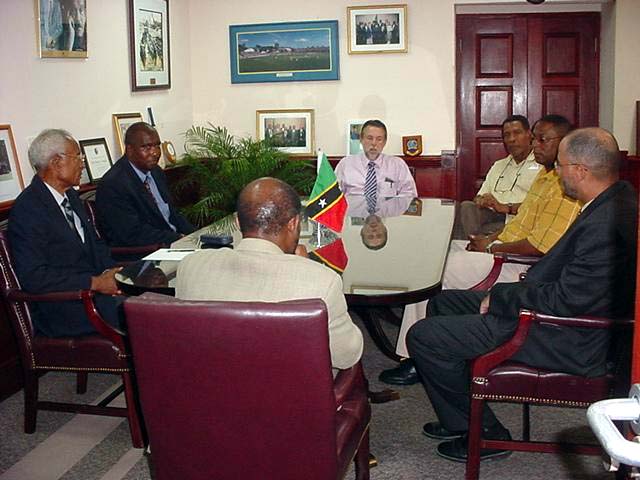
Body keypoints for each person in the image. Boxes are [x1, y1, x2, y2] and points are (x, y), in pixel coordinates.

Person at [407, 127, 637, 463]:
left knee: (424, 337)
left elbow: (568, 301)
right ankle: (461, 419)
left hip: (564, 333)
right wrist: (506, 294)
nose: (556, 173)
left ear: (581, 171)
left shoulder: (608, 223)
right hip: (550, 311)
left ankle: (487, 434)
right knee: (443, 302)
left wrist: (502, 298)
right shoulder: (613, 199)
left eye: (560, 166)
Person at [379, 114, 581, 386]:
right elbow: (520, 225)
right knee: (439, 252)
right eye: (535, 138)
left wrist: (492, 247)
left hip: (519, 267)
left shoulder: (565, 186)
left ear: (565, 143)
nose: (535, 145)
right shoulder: (546, 179)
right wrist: (489, 241)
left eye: (541, 139)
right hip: (501, 247)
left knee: (431, 271)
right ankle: (442, 339)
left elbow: (538, 246)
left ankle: (413, 358)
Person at [176, 177, 364, 371]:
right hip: (289, 396)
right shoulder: (323, 281)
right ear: (293, 223)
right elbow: (346, 356)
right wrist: (302, 267)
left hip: (208, 389)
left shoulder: (190, 266)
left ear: (238, 222)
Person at [8, 129, 122, 337]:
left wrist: (112, 272)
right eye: (77, 156)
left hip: (95, 293)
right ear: (55, 162)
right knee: (142, 314)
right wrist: (95, 283)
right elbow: (34, 277)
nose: (83, 162)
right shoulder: (28, 209)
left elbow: (95, 244)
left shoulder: (71, 196)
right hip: (65, 305)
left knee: (150, 301)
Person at [95, 122, 194, 249]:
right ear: (129, 150)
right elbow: (131, 233)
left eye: (157, 146)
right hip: (146, 251)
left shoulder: (156, 172)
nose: (155, 153)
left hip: (173, 243)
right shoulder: (113, 184)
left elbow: (172, 213)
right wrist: (177, 238)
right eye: (146, 147)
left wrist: (195, 236)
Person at [458, 115, 539, 238]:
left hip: (521, 217)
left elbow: (540, 206)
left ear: (529, 134)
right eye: (507, 135)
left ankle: (474, 246)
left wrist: (506, 208)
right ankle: (471, 245)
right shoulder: (499, 165)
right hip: (492, 215)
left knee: (473, 228)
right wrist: (482, 200)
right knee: (466, 207)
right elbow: (479, 196)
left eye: (517, 133)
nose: (512, 139)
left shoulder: (542, 165)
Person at [335, 119, 417, 198]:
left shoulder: (397, 165)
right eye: (369, 138)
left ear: (385, 142)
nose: (374, 143)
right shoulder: (345, 164)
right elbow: (334, 197)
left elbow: (409, 195)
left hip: (387, 211)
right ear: (361, 139)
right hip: (353, 211)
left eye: (379, 139)